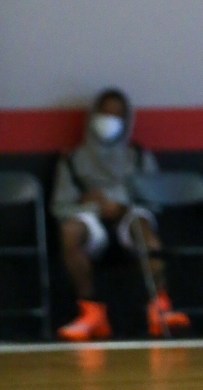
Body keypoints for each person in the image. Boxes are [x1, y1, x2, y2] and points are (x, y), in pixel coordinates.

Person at [51, 88, 190, 340]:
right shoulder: (72, 159)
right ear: (92, 116)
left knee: (144, 228)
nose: (109, 120)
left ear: (126, 120)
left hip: (129, 213)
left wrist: (121, 207)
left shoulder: (138, 156)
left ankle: (160, 308)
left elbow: (154, 201)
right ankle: (91, 312)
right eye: (104, 113)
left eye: (117, 115)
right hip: (89, 218)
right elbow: (59, 206)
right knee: (69, 231)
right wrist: (91, 204)